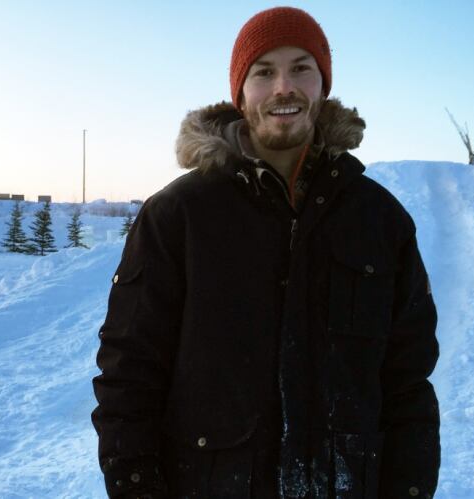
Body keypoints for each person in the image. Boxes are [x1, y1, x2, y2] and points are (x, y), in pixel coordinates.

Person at [92, 6, 440, 498]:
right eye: (264, 72)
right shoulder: (178, 215)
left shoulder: (380, 220)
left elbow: (408, 383)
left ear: (323, 85)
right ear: (240, 92)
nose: (284, 87)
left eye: (302, 68)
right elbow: (129, 373)